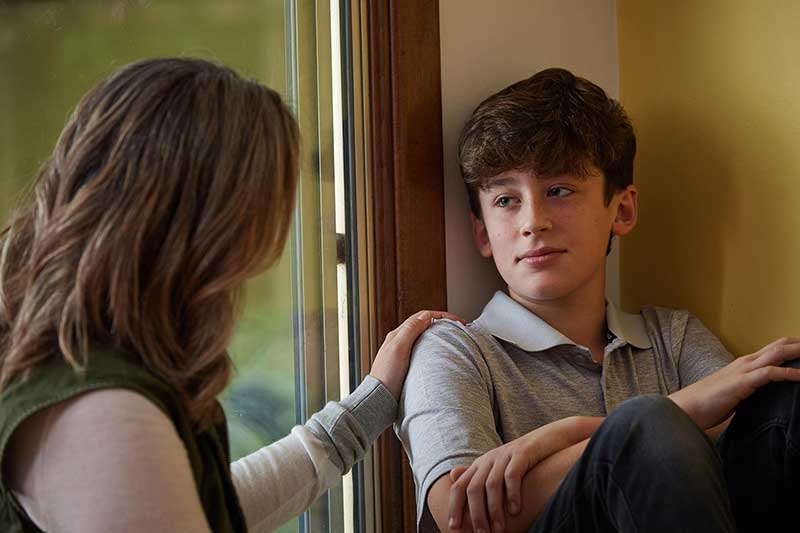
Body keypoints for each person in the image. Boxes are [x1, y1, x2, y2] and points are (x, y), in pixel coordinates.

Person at [0, 57, 460, 532]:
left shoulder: (79, 363)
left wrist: (365, 411)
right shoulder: (100, 413)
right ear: (210, 226)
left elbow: (194, 501)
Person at [396, 67, 800, 532]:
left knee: (784, 394)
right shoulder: (455, 351)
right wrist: (654, 421)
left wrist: (551, 445)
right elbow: (459, 517)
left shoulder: (673, 338)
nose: (534, 222)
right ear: (483, 233)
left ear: (621, 210)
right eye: (506, 200)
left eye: (558, 190)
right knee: (647, 423)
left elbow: (745, 444)